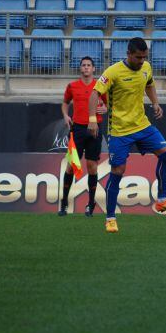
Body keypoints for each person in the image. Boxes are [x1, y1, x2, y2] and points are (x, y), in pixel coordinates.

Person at [87, 37, 166, 233]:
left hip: (142, 125)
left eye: (144, 57)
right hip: (119, 131)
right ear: (128, 54)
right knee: (118, 171)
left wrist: (155, 103)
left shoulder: (146, 67)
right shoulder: (113, 72)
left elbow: (149, 84)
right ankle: (110, 218)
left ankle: (162, 201)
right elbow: (94, 94)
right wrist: (92, 119)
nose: (141, 61)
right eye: (138, 57)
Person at [58, 56, 108, 217]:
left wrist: (105, 108)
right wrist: (66, 116)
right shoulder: (72, 86)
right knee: (72, 165)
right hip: (77, 129)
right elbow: (65, 103)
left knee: (92, 166)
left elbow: (108, 103)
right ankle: (64, 202)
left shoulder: (99, 86)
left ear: (94, 69)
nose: (86, 68)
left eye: (89, 65)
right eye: (83, 65)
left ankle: (90, 204)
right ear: (80, 68)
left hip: (95, 129)